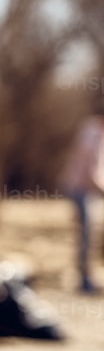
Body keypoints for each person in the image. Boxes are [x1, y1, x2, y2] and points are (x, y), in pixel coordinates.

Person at [59, 100, 104, 294]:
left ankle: (87, 277)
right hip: (80, 189)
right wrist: (100, 188)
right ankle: (84, 280)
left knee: (88, 233)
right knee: (86, 234)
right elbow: (89, 167)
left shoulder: (96, 131)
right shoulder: (93, 132)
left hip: (87, 189)